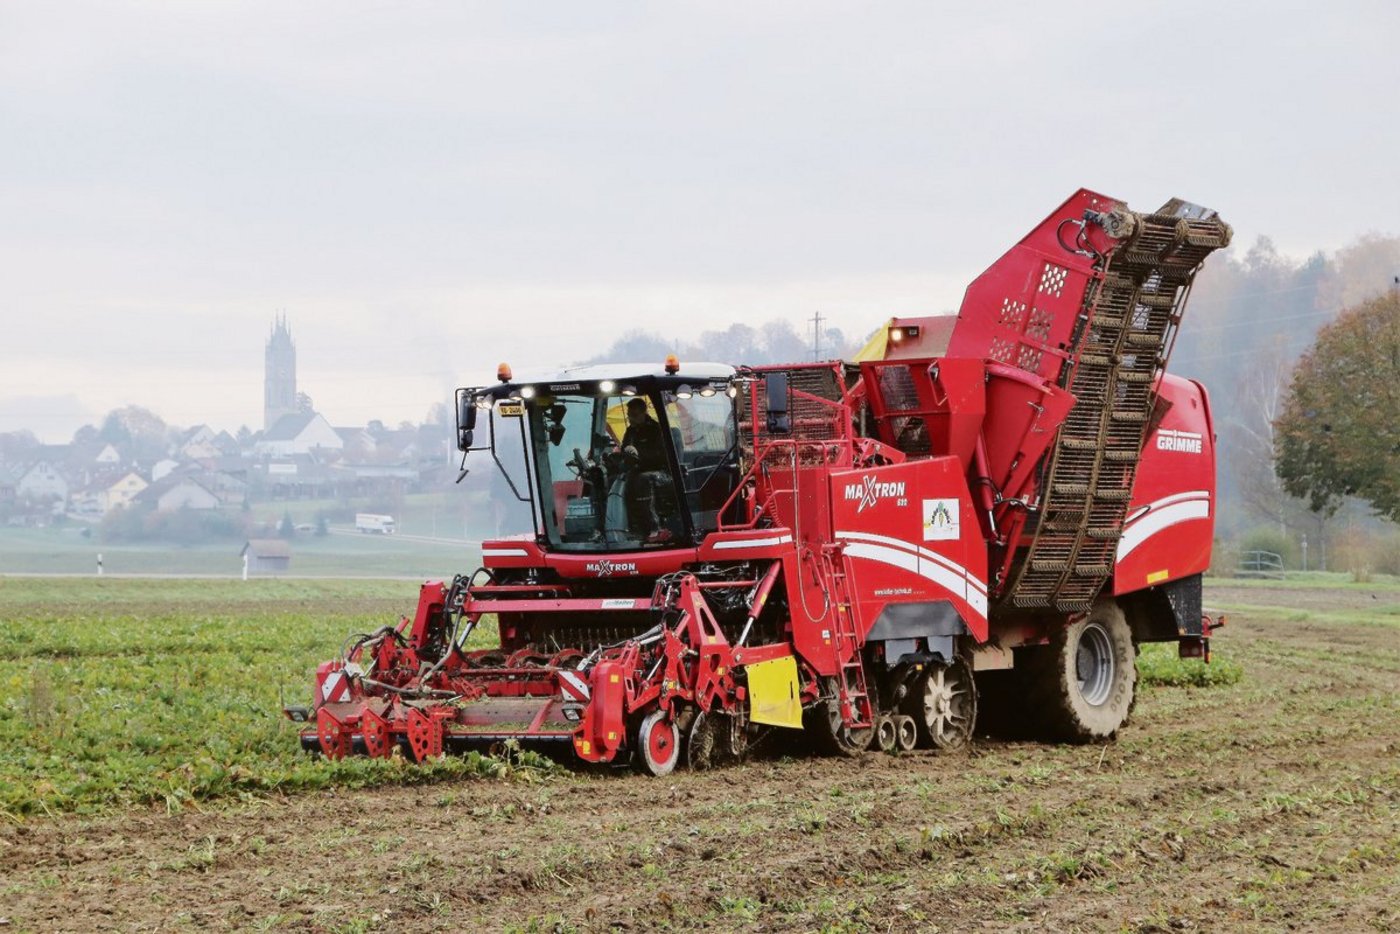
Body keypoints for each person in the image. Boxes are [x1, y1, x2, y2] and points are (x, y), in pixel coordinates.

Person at [620, 398, 671, 541]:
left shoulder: (655, 429)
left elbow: (660, 455)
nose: (631, 418)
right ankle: (618, 527)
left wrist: (639, 456)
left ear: (644, 413)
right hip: (635, 470)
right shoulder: (630, 431)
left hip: (658, 470)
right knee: (611, 479)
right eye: (629, 415)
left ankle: (653, 526)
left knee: (642, 480)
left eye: (634, 415)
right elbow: (624, 448)